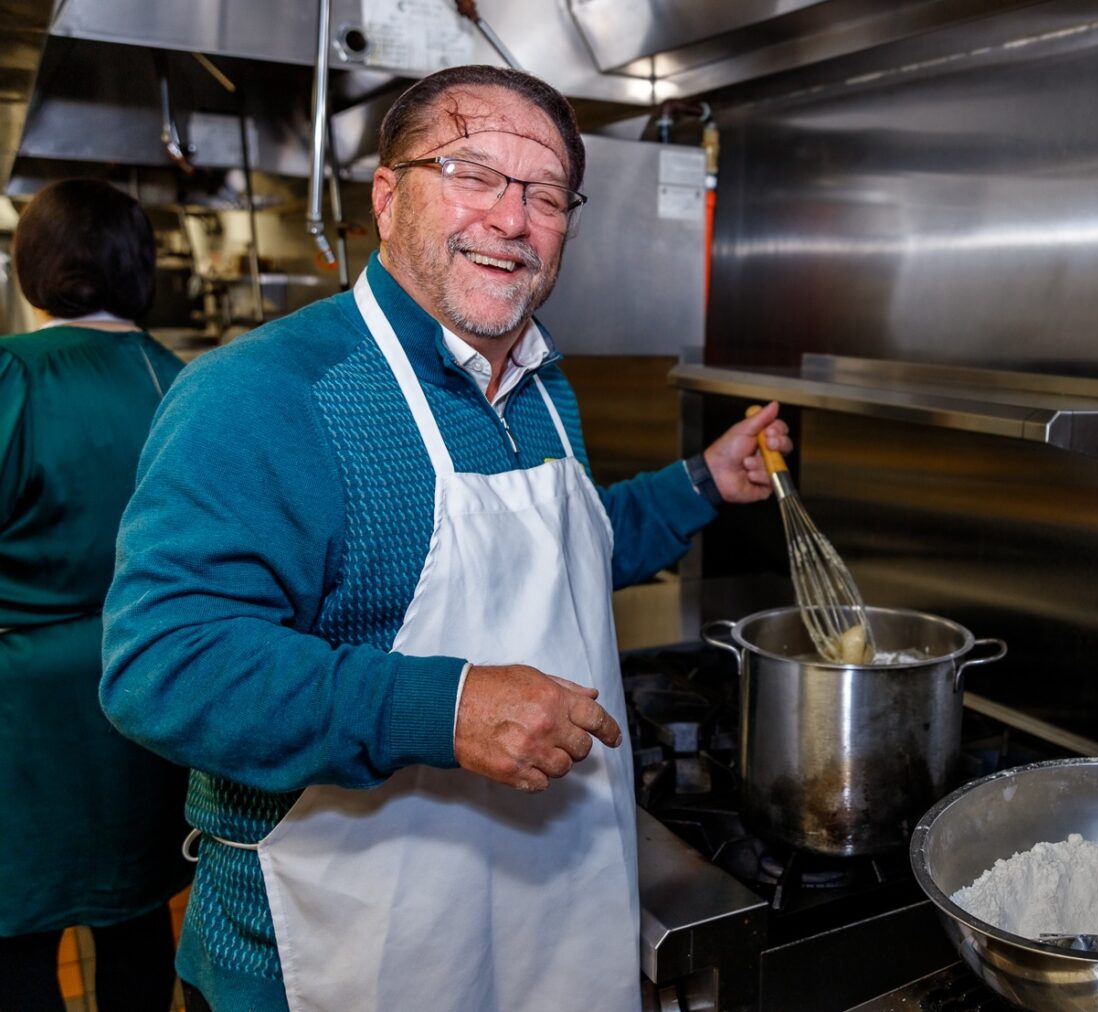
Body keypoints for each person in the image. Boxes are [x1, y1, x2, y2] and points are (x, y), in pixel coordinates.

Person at [100, 65, 791, 1012]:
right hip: (333, 956)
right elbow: (165, 665)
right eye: (472, 174)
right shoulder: (264, 395)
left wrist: (702, 483)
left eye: (546, 195)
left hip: (549, 923)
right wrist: (446, 706)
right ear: (387, 198)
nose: (512, 220)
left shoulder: (545, 386)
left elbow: (572, 557)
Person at [0, 179, 190, 1010]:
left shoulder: (16, 374)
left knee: (16, 938)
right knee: (138, 920)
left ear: (31, 265)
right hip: (145, 690)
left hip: (23, 714)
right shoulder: (186, 383)